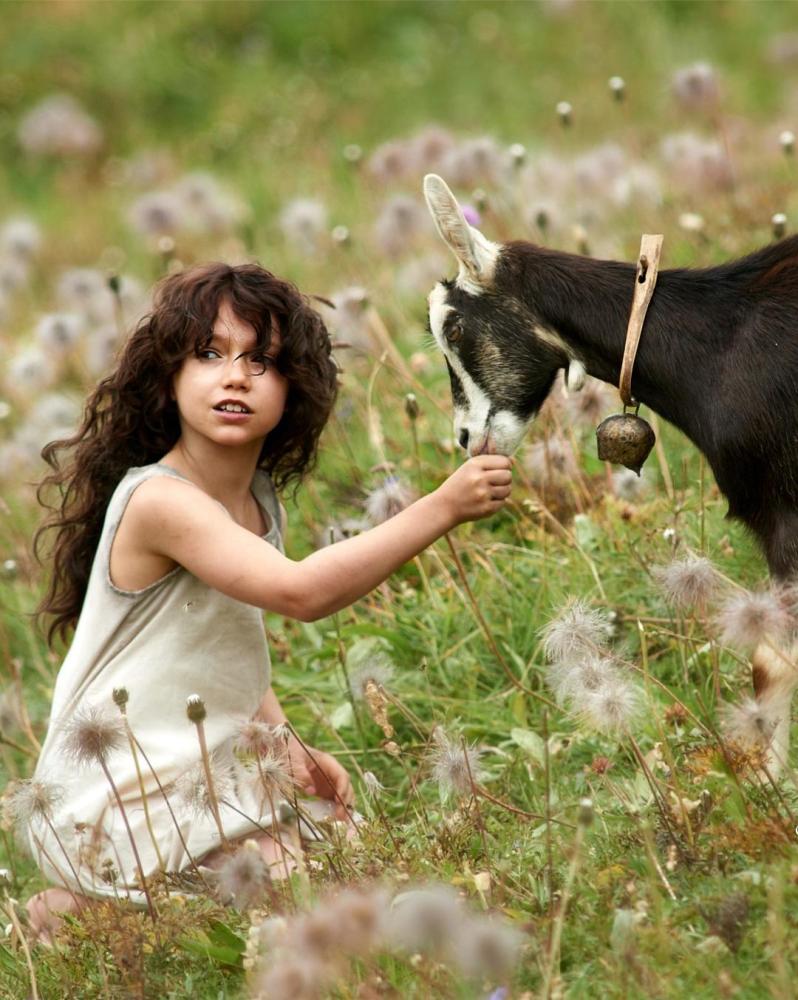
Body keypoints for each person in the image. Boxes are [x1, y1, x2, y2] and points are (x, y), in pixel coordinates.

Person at [22, 261, 513, 941]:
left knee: (349, 849)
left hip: (198, 767)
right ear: (168, 378)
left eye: (263, 361)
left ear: (293, 389)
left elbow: (228, 645)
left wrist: (288, 747)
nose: (236, 377)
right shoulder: (160, 501)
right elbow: (301, 593)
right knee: (288, 887)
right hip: (118, 787)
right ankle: (74, 910)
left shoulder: (256, 502)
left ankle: (98, 911)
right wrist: (442, 506)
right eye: (209, 354)